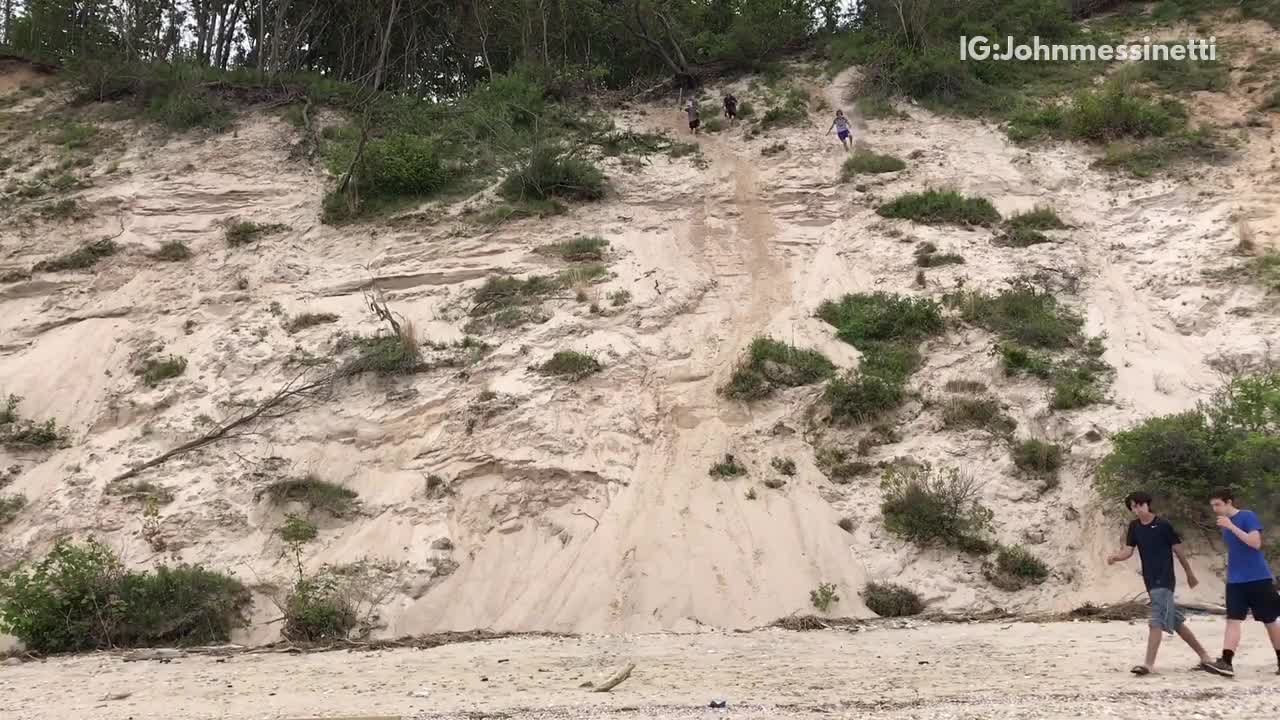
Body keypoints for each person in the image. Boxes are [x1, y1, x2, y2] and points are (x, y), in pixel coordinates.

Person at [1107, 491, 1218, 675]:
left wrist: (1189, 574)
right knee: (1176, 622)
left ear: (1147, 504)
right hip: (1149, 579)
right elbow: (1128, 551)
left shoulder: (1163, 525)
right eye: (1133, 506)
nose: (1137, 509)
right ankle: (1205, 657)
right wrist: (1115, 557)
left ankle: (1148, 664)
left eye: (1140, 505)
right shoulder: (1134, 527)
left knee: (1156, 621)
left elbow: (1178, 551)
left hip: (1165, 578)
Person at [1205, 487, 1280, 677]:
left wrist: (1231, 526)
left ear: (1229, 502)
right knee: (1232, 620)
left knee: (1270, 620)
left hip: (1258, 578)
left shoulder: (1247, 516)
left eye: (1218, 504)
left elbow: (1255, 543)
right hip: (1235, 580)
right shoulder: (1223, 523)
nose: (1215, 509)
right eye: (1212, 505)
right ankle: (1226, 662)